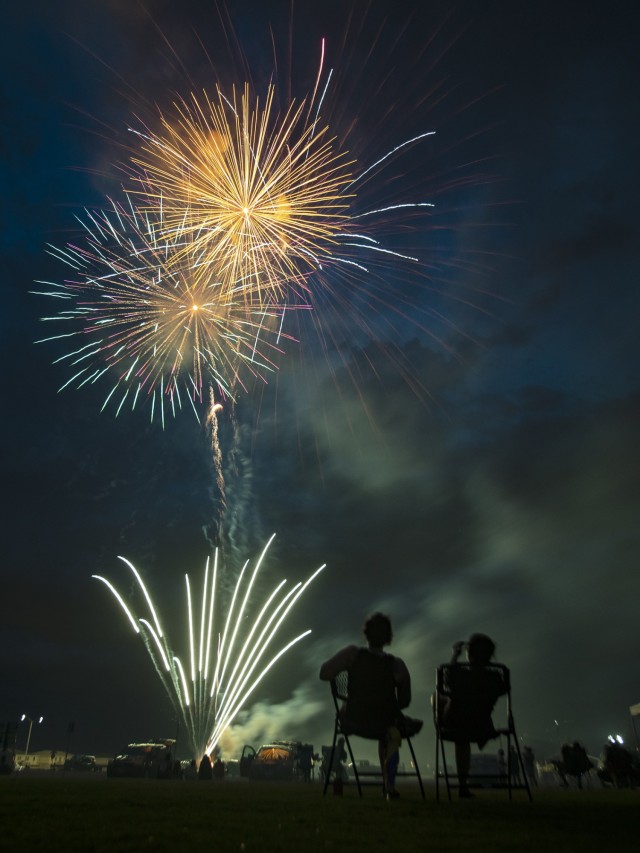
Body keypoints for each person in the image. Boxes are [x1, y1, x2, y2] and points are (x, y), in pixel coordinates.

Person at [319, 612, 422, 799]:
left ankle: (387, 785)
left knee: (386, 727)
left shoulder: (352, 655)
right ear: (388, 637)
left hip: (353, 720)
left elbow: (324, 673)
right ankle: (388, 785)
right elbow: (405, 701)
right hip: (384, 722)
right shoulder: (396, 665)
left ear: (366, 633)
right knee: (391, 732)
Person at [436, 633, 507, 798]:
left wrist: (455, 655)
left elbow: (447, 679)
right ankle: (463, 786)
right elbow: (503, 689)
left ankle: (462, 784)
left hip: (455, 723)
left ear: (469, 653)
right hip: (482, 725)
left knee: (437, 699)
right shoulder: (496, 677)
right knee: (464, 734)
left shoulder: (460, 675)